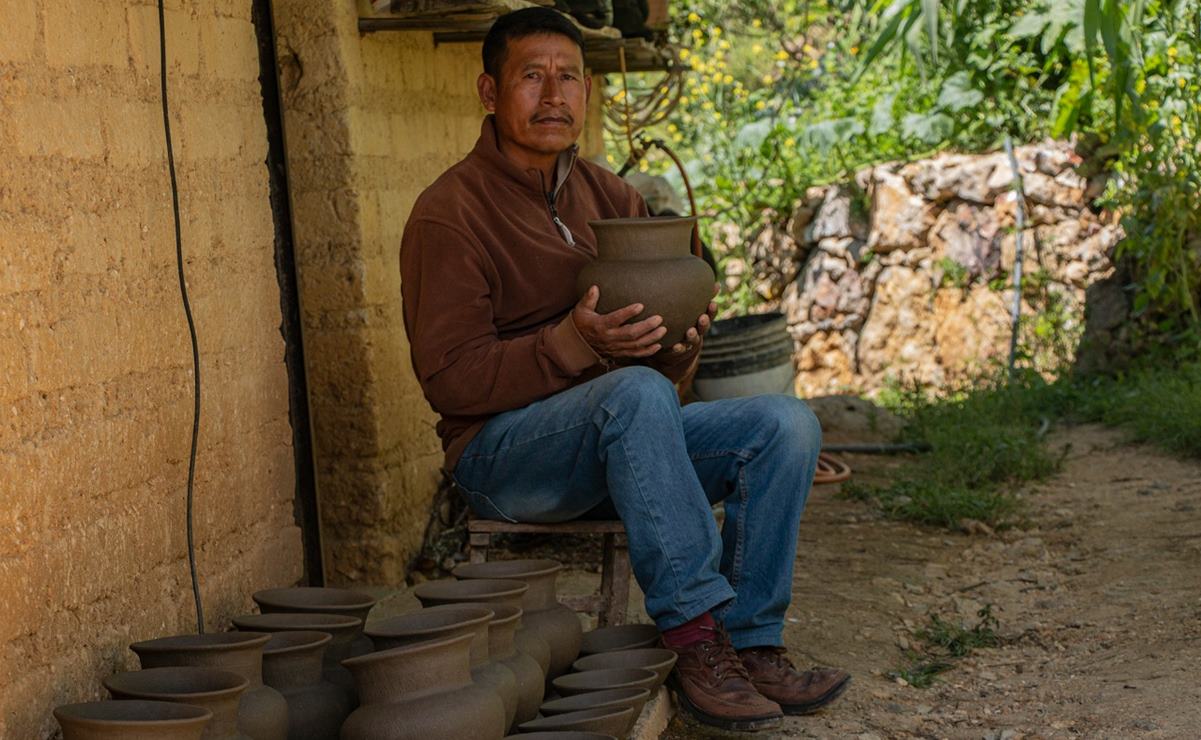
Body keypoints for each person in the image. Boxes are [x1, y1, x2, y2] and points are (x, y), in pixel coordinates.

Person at [399, 7, 849, 732]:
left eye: (569, 78)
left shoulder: (611, 198)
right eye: (531, 77)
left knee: (782, 422)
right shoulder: (448, 213)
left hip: (622, 439)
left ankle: (753, 644)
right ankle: (696, 641)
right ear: (489, 91)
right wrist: (572, 344)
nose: (553, 96)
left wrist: (677, 343)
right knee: (633, 396)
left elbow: (658, 380)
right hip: (505, 458)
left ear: (586, 92)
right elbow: (449, 379)